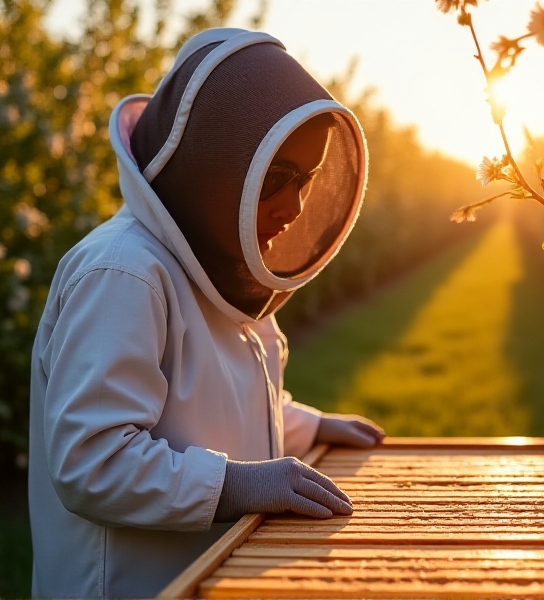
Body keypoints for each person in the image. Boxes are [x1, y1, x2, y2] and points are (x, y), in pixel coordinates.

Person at [27, 27, 384, 598]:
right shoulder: (122, 272)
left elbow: (213, 400)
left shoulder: (218, 256)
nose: (293, 207)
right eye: (275, 177)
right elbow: (91, 461)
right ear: (213, 162)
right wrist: (238, 487)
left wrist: (310, 426)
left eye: (307, 180)